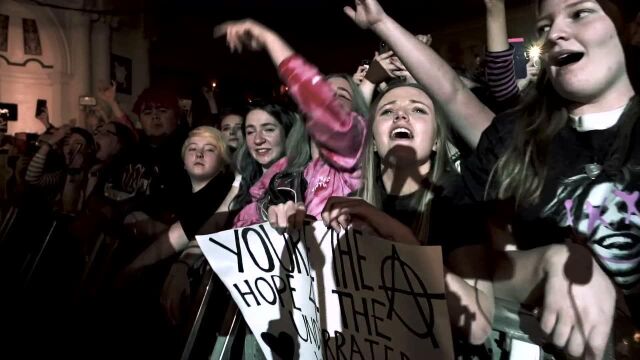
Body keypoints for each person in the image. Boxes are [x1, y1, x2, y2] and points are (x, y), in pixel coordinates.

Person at [346, 0, 636, 358]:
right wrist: (554, 262)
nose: (557, 33)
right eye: (544, 27)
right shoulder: (516, 138)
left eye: (580, 13)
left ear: (632, 28)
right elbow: (452, 93)